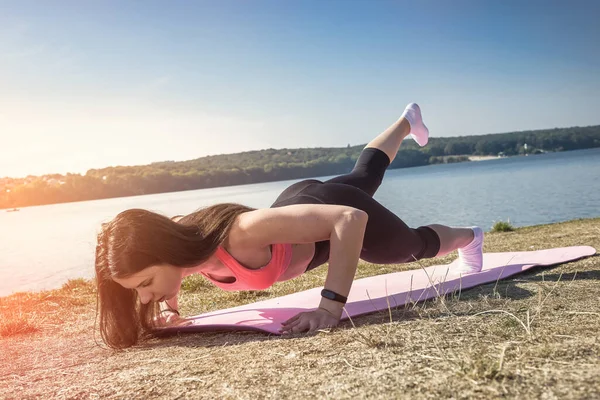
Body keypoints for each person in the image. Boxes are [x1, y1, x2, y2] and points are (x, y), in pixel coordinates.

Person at [94, 103, 484, 349]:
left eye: (145, 285)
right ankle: (407, 120)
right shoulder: (179, 240)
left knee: (408, 248)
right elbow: (169, 264)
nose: (146, 297)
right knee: (364, 173)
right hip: (298, 205)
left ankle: (470, 239)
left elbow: (350, 220)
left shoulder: (241, 234)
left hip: (335, 215)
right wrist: (171, 306)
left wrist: (330, 308)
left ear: (164, 252)